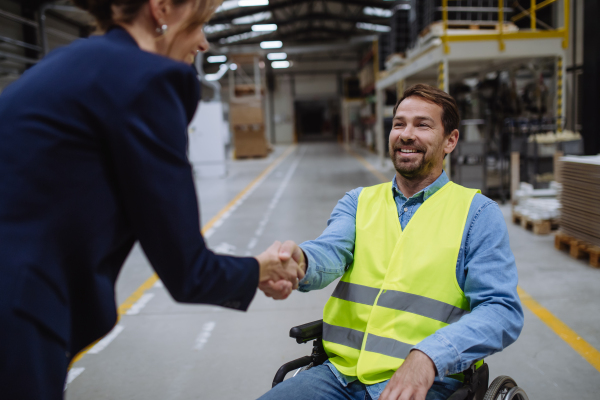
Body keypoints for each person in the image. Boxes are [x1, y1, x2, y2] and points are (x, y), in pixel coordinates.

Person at [0, 0, 298, 398]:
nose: (204, 43)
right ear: (160, 10)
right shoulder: (148, 81)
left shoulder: (68, 64)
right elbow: (188, 272)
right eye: (199, 24)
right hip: (17, 308)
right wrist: (259, 270)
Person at [258, 84, 524, 400]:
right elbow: (331, 250)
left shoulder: (477, 215)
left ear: (450, 140)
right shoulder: (359, 202)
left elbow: (501, 310)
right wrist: (300, 261)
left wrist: (429, 356)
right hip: (339, 375)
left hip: (427, 381)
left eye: (422, 125)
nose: (406, 134)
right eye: (399, 124)